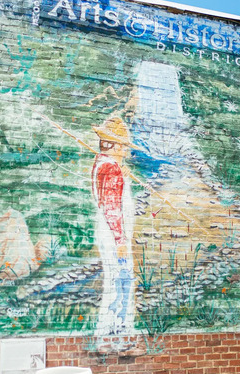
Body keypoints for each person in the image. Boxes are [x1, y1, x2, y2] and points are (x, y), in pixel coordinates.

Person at [91, 116, 138, 351]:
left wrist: (123, 175)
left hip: (108, 231)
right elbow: (111, 207)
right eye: (124, 146)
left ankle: (113, 335)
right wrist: (120, 240)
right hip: (114, 234)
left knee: (117, 281)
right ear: (116, 146)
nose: (126, 151)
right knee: (121, 282)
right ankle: (115, 336)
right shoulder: (111, 169)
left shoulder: (103, 164)